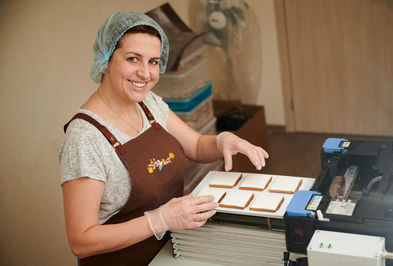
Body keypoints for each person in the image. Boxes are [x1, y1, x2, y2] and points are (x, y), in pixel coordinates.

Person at [59, 10, 269, 266]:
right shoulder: (85, 139)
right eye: (133, 59)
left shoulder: (147, 104)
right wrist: (158, 220)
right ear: (106, 59)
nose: (145, 74)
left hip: (171, 251)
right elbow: (81, 240)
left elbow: (195, 145)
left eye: (154, 62)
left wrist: (223, 140)